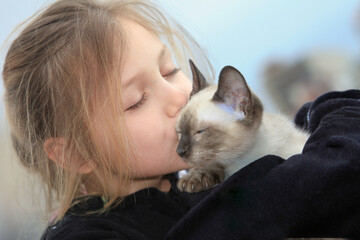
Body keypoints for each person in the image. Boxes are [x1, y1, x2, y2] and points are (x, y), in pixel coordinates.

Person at [2, 0, 360, 239]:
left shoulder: (191, 176)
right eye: (136, 101)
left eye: (170, 70)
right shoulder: (89, 235)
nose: (180, 97)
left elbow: (330, 127)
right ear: (76, 155)